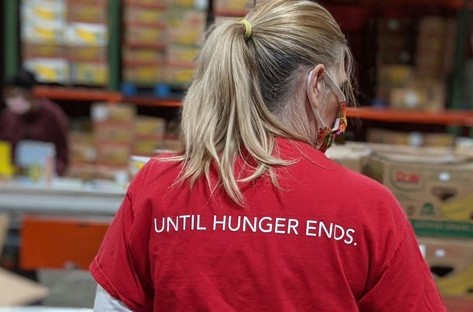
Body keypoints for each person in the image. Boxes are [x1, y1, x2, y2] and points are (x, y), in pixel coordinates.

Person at [90, 0, 445, 310]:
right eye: (340, 88)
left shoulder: (159, 185)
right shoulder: (368, 208)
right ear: (316, 84)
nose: (341, 105)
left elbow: (113, 307)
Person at [0, 69, 69, 176]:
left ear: (31, 93)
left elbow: (63, 151)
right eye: (9, 96)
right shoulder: (8, 117)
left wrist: (55, 171)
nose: (13, 100)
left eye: (17, 95)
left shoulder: (52, 115)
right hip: (13, 178)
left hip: (45, 177)